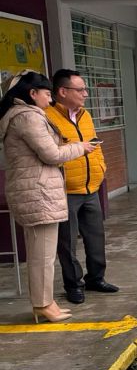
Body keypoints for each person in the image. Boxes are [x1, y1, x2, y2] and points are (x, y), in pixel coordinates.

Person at [0, 71, 96, 322]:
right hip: (37, 193)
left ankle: (45, 302)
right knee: (41, 254)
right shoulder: (27, 118)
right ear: (32, 94)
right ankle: (43, 304)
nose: (49, 98)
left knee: (42, 253)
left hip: (37, 192)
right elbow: (51, 155)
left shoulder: (24, 115)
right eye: (45, 93)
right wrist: (81, 147)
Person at [46, 69, 118, 305]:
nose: (85, 94)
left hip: (91, 188)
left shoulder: (85, 115)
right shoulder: (48, 118)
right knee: (67, 242)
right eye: (80, 90)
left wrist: (101, 168)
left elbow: (94, 145)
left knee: (96, 237)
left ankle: (96, 278)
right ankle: (73, 285)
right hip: (66, 190)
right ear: (63, 92)